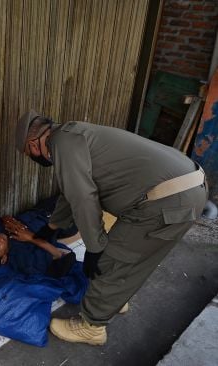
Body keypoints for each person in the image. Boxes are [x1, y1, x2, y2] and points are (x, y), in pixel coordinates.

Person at [15, 110, 208, 345]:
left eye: (28, 152)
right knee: (132, 259)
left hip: (167, 201)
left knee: (110, 260)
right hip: (188, 184)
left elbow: (84, 199)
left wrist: (95, 248)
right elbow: (72, 190)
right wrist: (54, 225)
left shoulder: (61, 145)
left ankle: (92, 327)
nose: (32, 157)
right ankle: (112, 301)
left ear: (34, 143)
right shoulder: (71, 133)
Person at [0, 216, 76, 278]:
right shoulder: (24, 260)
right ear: (4, 259)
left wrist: (5, 219)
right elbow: (61, 255)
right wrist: (31, 237)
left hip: (39, 211)